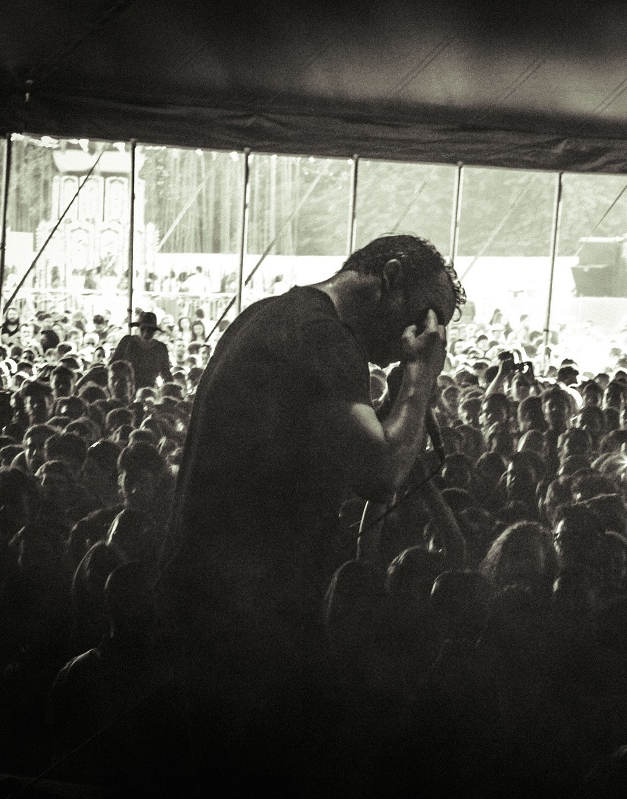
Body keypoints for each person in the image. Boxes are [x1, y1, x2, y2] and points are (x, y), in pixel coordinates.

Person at [155, 234, 464, 792]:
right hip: (245, 625)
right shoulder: (318, 336)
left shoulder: (270, 316)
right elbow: (383, 472)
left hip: (212, 605)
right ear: (389, 278)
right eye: (425, 317)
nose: (417, 338)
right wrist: (421, 377)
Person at [109, 310, 172, 389]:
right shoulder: (127, 341)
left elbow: (166, 373)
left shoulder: (160, 348)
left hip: (148, 390)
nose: (146, 333)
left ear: (155, 331)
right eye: (143, 329)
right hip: (125, 389)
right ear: (139, 328)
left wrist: (171, 390)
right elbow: (112, 365)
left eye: (150, 330)